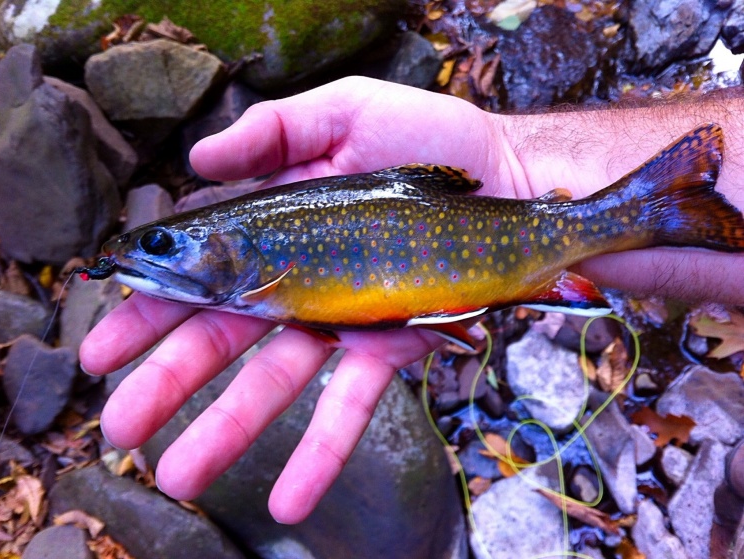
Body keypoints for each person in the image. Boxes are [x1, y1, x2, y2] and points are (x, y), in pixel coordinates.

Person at [79, 76, 744, 524]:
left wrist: (512, 156)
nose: (145, 258)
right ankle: (662, 207)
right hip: (509, 248)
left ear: (232, 242)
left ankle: (659, 208)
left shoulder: (263, 264)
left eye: (163, 244)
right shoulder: (257, 266)